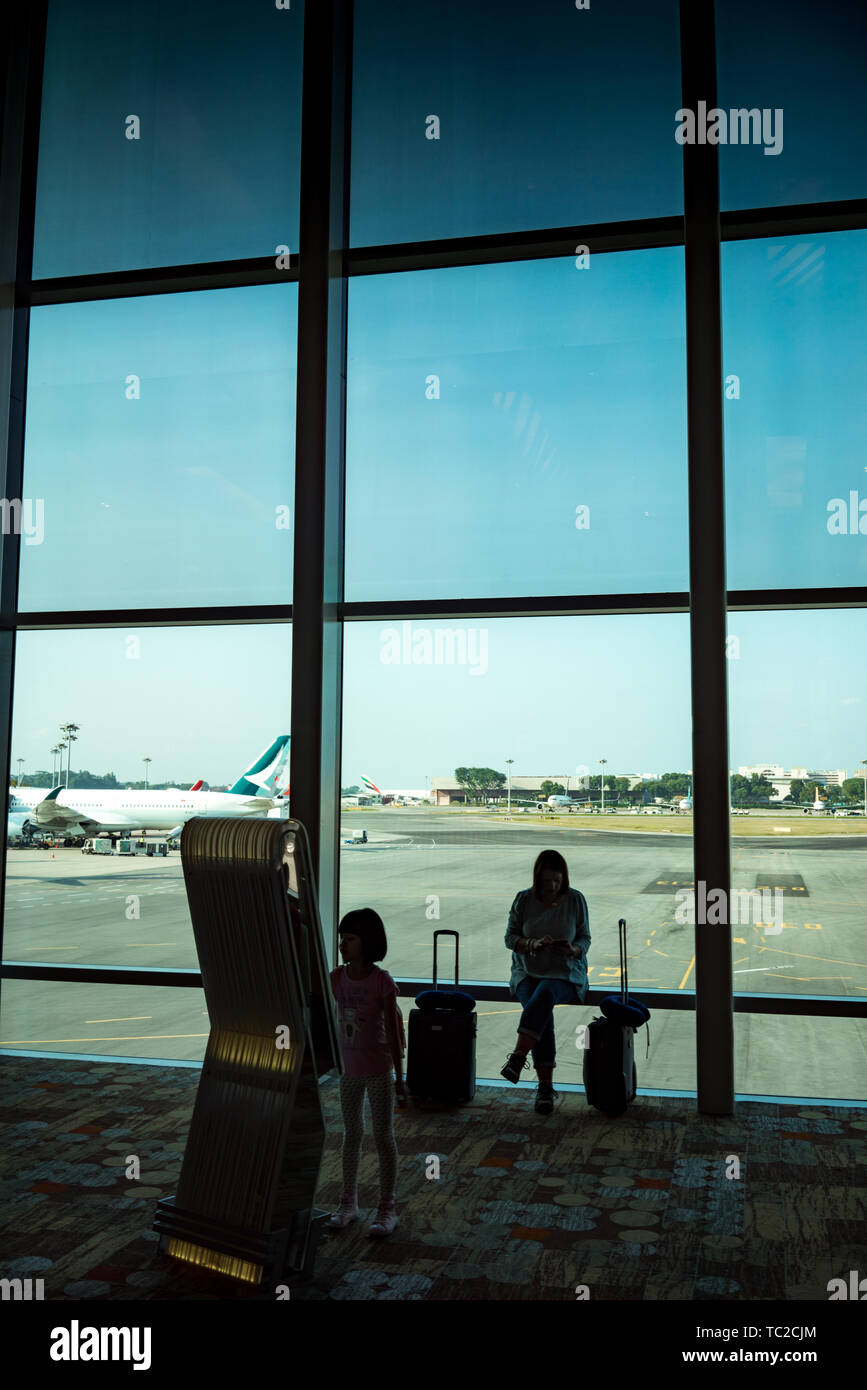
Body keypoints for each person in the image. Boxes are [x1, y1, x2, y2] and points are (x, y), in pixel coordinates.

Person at [328, 908, 407, 1236]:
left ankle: (387, 1205)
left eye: (350, 939)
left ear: (367, 942)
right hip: (349, 1071)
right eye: (341, 939)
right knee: (351, 1135)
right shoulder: (336, 978)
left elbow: (393, 1030)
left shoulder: (381, 982)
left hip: (377, 1070)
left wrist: (400, 1078)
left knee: (383, 1135)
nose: (343, 945)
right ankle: (349, 1200)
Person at [501, 849, 590, 1114]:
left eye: (557, 881)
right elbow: (509, 938)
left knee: (544, 996)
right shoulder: (523, 900)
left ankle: (519, 1058)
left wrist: (572, 950)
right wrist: (532, 944)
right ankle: (544, 1089)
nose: (552, 886)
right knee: (542, 1013)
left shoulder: (575, 900)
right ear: (537, 879)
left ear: (564, 879)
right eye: (546, 881)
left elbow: (585, 938)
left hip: (565, 973)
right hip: (527, 971)